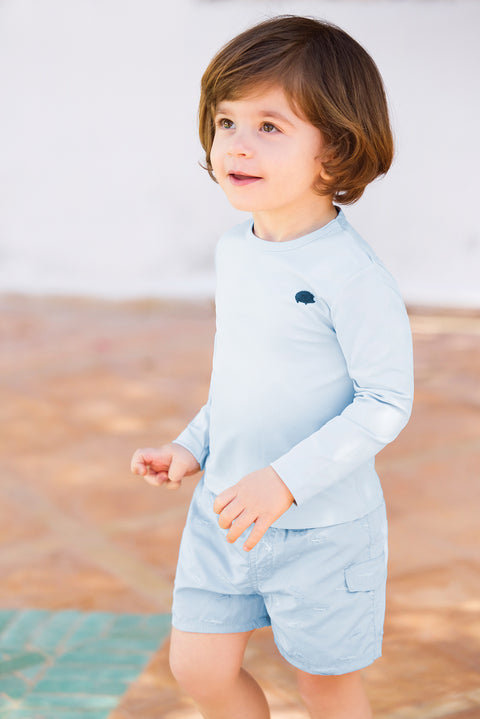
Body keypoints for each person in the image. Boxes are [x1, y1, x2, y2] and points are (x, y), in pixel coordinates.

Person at [131, 15, 414, 719]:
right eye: (226, 122)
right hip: (225, 512)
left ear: (335, 150)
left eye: (269, 126)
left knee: (325, 687)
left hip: (324, 531)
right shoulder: (236, 252)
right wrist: (192, 445)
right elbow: (243, 379)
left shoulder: (354, 276)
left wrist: (285, 482)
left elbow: (385, 402)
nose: (236, 143)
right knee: (198, 668)